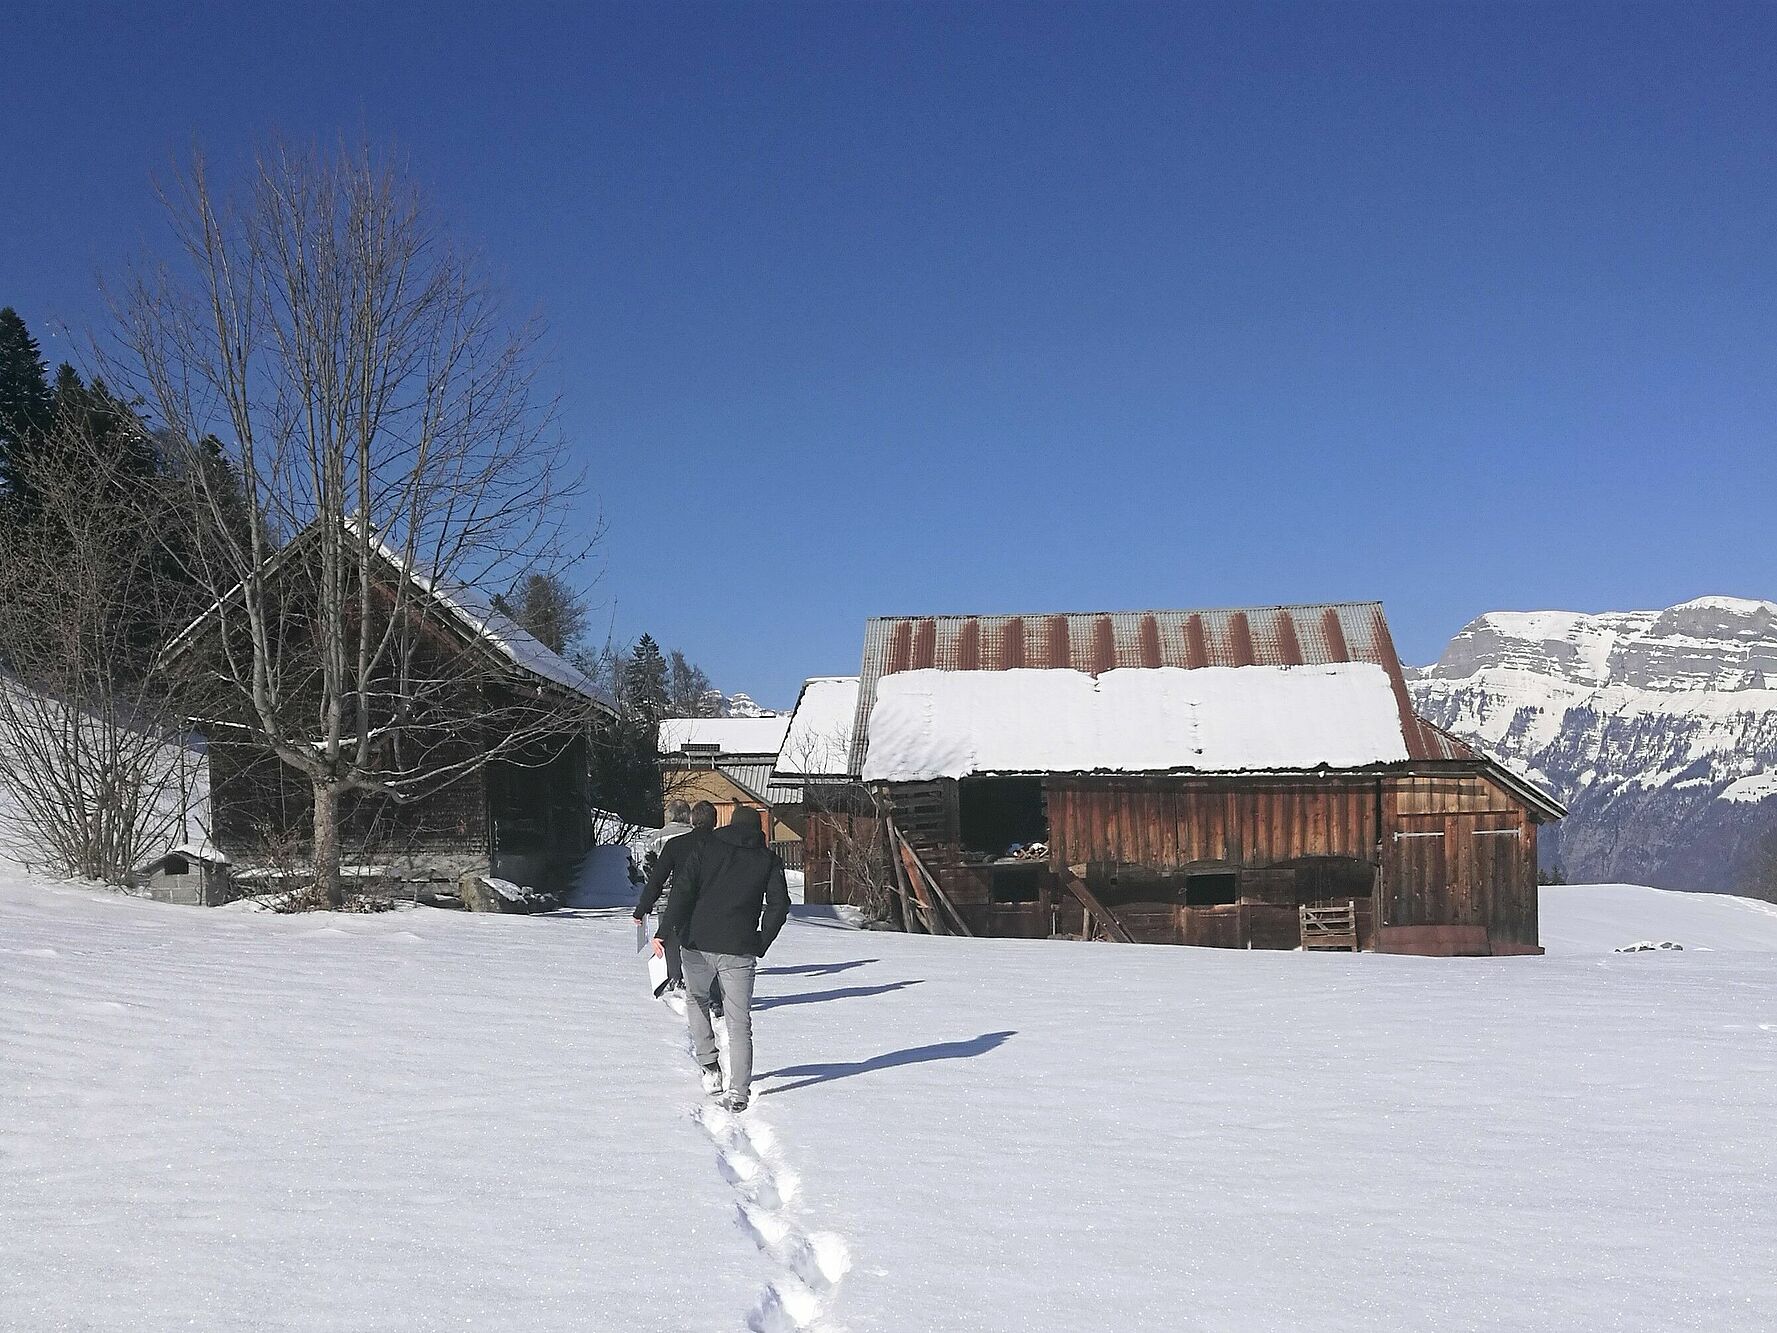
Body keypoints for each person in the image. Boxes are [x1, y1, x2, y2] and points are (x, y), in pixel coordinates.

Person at [656, 805, 789, 1112]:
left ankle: (709, 1067)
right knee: (739, 1022)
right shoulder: (767, 859)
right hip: (739, 947)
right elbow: (779, 906)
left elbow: (683, 891)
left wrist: (665, 930)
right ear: (759, 830)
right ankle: (739, 1092)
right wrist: (761, 940)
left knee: (697, 999)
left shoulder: (705, 847)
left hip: (697, 942)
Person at [634, 800, 718, 994]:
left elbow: (650, 870)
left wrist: (645, 904)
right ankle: (709, 989)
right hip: (699, 897)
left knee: (669, 936)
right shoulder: (696, 836)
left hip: (666, 896)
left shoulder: (658, 838)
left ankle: (675, 976)